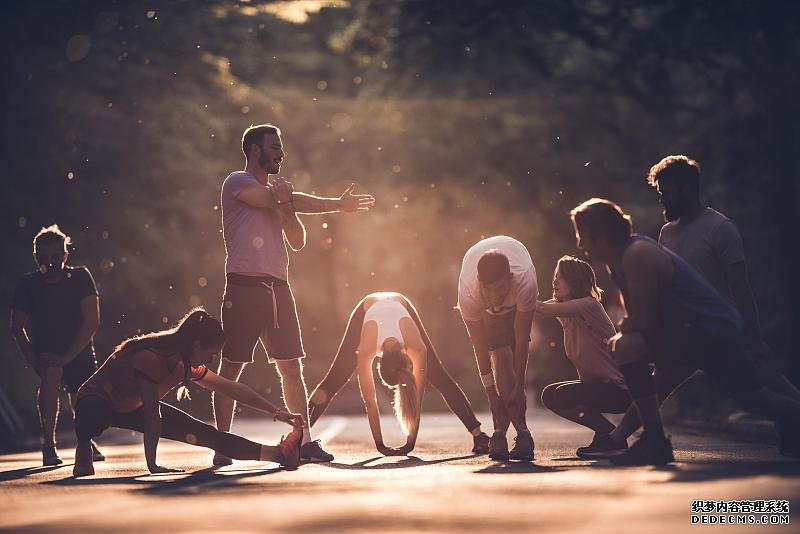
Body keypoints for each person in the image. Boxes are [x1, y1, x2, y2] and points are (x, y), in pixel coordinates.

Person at [569, 198, 800, 465]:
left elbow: (644, 321)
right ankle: (652, 440)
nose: (579, 243)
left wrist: (622, 333)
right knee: (632, 351)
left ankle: (651, 441)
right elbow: (643, 320)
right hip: (687, 336)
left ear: (600, 234)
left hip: (712, 333)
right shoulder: (617, 261)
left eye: (582, 234)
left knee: (757, 401)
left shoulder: (637, 254)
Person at [215, 123, 375, 465]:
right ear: (255, 151)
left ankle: (303, 441)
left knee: (291, 367)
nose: (281, 154)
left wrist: (337, 205)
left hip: (277, 288)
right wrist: (287, 199)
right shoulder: (237, 183)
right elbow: (272, 198)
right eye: (275, 147)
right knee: (230, 369)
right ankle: (223, 445)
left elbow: (298, 238)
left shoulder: (280, 195)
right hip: (243, 288)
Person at [73, 308, 304, 477]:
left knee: (205, 434)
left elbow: (231, 388)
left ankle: (278, 454)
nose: (212, 360)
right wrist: (152, 465)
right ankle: (84, 445)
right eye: (211, 354)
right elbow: (152, 416)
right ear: (196, 347)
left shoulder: (187, 365)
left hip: (133, 407)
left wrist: (278, 412)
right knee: (92, 411)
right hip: (99, 401)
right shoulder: (151, 358)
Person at [649, 155, 800, 412]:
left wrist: (753, 337)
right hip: (685, 332)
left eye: (667, 192)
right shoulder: (667, 233)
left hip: (722, 330)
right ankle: (627, 437)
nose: (662, 198)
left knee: (763, 388)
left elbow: (740, 288)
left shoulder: (720, 228)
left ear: (686, 190)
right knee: (657, 386)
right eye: (660, 192)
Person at [308, 292, 490, 455]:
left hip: (401, 304)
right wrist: (391, 444)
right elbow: (372, 401)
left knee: (439, 376)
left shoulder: (416, 347)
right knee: (336, 378)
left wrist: (389, 445)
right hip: (368, 307)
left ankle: (479, 435)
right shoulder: (368, 347)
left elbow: (377, 402)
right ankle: (300, 438)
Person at [10, 224, 105, 466]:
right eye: (44, 258)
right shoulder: (27, 284)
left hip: (78, 347)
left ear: (65, 255)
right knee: (51, 376)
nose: (50, 263)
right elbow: (16, 327)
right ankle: (49, 445)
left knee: (81, 393)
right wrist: (34, 361)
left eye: (55, 257)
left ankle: (85, 439)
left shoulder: (81, 277)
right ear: (36, 257)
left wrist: (68, 357)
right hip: (47, 351)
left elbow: (92, 321)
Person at [537, 256, 630, 458]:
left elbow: (540, 308)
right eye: (554, 277)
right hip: (597, 388)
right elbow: (538, 308)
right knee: (549, 394)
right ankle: (607, 435)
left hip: (619, 390)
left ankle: (612, 437)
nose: (554, 282)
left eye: (559, 277)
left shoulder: (589, 305)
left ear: (575, 280)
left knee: (562, 395)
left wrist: (515, 296)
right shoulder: (565, 310)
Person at [457, 236, 537, 462]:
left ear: (509, 279)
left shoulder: (525, 282)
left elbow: (523, 339)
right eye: (489, 290)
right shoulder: (469, 293)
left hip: (516, 303)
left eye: (500, 288)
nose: (495, 296)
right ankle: (503, 433)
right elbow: (479, 347)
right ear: (480, 283)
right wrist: (491, 393)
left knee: (510, 360)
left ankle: (520, 434)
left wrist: (520, 385)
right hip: (484, 309)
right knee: (499, 355)